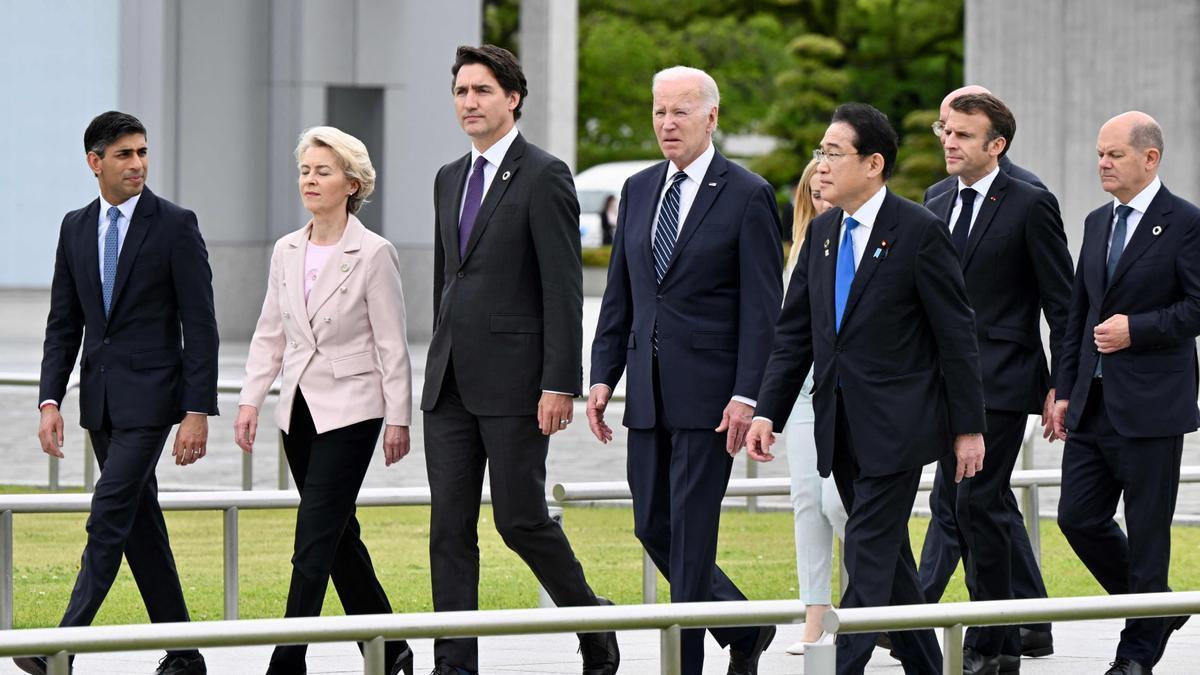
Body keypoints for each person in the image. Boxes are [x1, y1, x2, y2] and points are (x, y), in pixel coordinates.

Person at [745, 102, 986, 675]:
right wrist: (767, 413)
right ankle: (927, 665)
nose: (820, 165)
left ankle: (835, 667)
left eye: (833, 153)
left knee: (869, 553)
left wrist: (969, 427)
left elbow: (957, 337)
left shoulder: (920, 231)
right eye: (819, 152)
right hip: (837, 424)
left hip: (898, 427)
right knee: (894, 565)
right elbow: (794, 335)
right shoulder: (824, 232)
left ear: (873, 163)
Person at [422, 44, 618, 675]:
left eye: (481, 90)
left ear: (512, 98)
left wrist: (559, 381)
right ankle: (454, 663)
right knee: (448, 526)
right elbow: (445, 280)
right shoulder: (448, 176)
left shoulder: (545, 174)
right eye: (460, 92)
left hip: (515, 384)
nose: (469, 102)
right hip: (449, 383)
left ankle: (593, 622)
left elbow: (563, 287)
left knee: (520, 519)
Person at [588, 65, 782, 675]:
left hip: (712, 398)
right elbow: (621, 295)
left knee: (693, 539)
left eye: (680, 111)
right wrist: (602, 376)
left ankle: (688, 663)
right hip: (646, 394)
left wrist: (748, 394)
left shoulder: (748, 193)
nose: (667, 123)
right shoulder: (640, 189)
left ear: (711, 118)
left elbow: (762, 311)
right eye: (659, 111)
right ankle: (743, 626)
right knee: (652, 524)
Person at [25, 110, 218, 675]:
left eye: (142, 152)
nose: (138, 163)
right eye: (124, 154)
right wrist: (50, 400)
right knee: (140, 526)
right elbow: (64, 323)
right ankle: (184, 655)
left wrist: (196, 409)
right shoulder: (75, 227)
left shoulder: (176, 225)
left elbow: (200, 325)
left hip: (155, 402)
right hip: (101, 405)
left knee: (108, 513)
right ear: (95, 162)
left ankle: (58, 647)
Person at [235, 126, 415, 675]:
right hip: (298, 412)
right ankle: (389, 649)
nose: (310, 180)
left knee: (313, 536)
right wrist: (249, 401)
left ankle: (288, 659)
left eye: (323, 171)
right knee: (337, 533)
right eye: (305, 171)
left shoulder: (374, 253)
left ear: (352, 184)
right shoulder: (286, 249)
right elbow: (270, 331)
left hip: (354, 410)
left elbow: (392, 342)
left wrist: (399, 419)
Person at [922, 93, 1072, 674]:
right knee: (964, 507)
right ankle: (1019, 628)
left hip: (1005, 382)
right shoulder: (935, 199)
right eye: (946, 131)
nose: (949, 142)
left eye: (962, 134)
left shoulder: (1031, 203)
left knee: (976, 503)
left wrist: (1063, 385)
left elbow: (1063, 304)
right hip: (943, 385)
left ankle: (994, 646)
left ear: (996, 145)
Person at [1052, 111, 1200, 675]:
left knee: (1147, 535)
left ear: (1150, 158)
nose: (1103, 164)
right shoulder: (1096, 221)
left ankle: (1136, 656)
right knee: (1077, 518)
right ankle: (1156, 611)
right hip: (1091, 405)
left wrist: (1137, 328)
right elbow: (1078, 314)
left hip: (1152, 408)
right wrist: (1063, 389)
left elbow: (1197, 305)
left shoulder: (1185, 222)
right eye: (1099, 154)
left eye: (1114, 154)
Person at [780, 159, 847, 656]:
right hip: (801, 394)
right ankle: (814, 615)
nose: (824, 200)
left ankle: (876, 599)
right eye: (815, 193)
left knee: (838, 504)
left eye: (828, 188)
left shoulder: (858, 242)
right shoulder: (799, 251)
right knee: (807, 503)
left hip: (846, 393)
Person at [924, 85, 1046, 204]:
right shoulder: (935, 194)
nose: (947, 141)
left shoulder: (1030, 193)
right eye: (945, 128)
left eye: (963, 134)